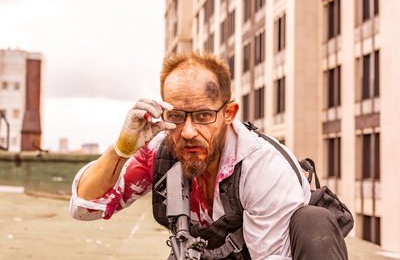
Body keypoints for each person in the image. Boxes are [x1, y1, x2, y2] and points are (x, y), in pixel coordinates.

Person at [70, 51, 348, 259]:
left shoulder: (262, 167)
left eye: (203, 115)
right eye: (177, 116)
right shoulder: (159, 152)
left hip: (265, 254)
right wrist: (122, 149)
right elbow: (84, 209)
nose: (188, 131)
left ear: (229, 114)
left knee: (313, 220)